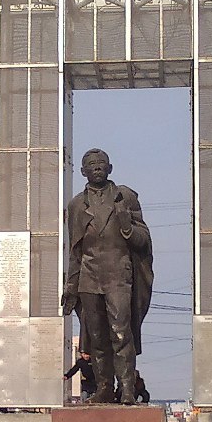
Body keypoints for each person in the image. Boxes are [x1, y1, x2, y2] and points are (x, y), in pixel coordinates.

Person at [61, 148, 153, 405]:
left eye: (102, 163)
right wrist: (71, 286)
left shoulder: (126, 198)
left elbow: (144, 241)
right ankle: (103, 387)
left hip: (118, 275)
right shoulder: (76, 205)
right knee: (97, 336)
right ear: (83, 172)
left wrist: (127, 226)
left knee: (121, 333)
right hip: (89, 277)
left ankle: (126, 388)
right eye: (91, 164)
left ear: (110, 168)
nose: (97, 167)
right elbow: (75, 250)